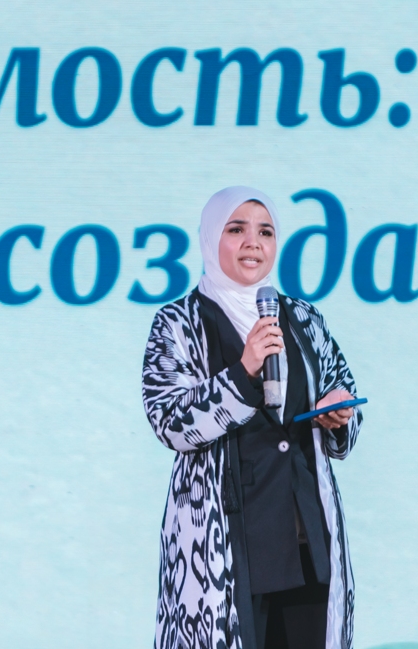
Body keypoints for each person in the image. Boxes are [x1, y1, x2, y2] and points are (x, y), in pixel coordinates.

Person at [141, 186, 363, 649]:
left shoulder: (303, 318)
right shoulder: (178, 323)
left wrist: (339, 415)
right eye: (236, 230)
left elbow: (342, 389)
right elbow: (169, 421)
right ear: (210, 238)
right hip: (224, 545)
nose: (253, 243)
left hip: (305, 540)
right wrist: (242, 373)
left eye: (265, 232)